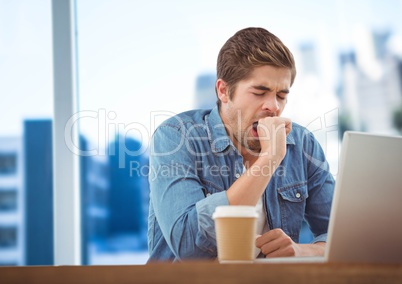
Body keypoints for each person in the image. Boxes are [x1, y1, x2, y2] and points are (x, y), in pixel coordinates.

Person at [147, 27, 335, 262]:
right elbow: (188, 245)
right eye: (260, 92)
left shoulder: (303, 144)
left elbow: (343, 238)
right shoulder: (176, 137)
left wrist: (301, 251)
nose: (273, 106)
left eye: (281, 95)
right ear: (224, 91)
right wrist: (269, 159)